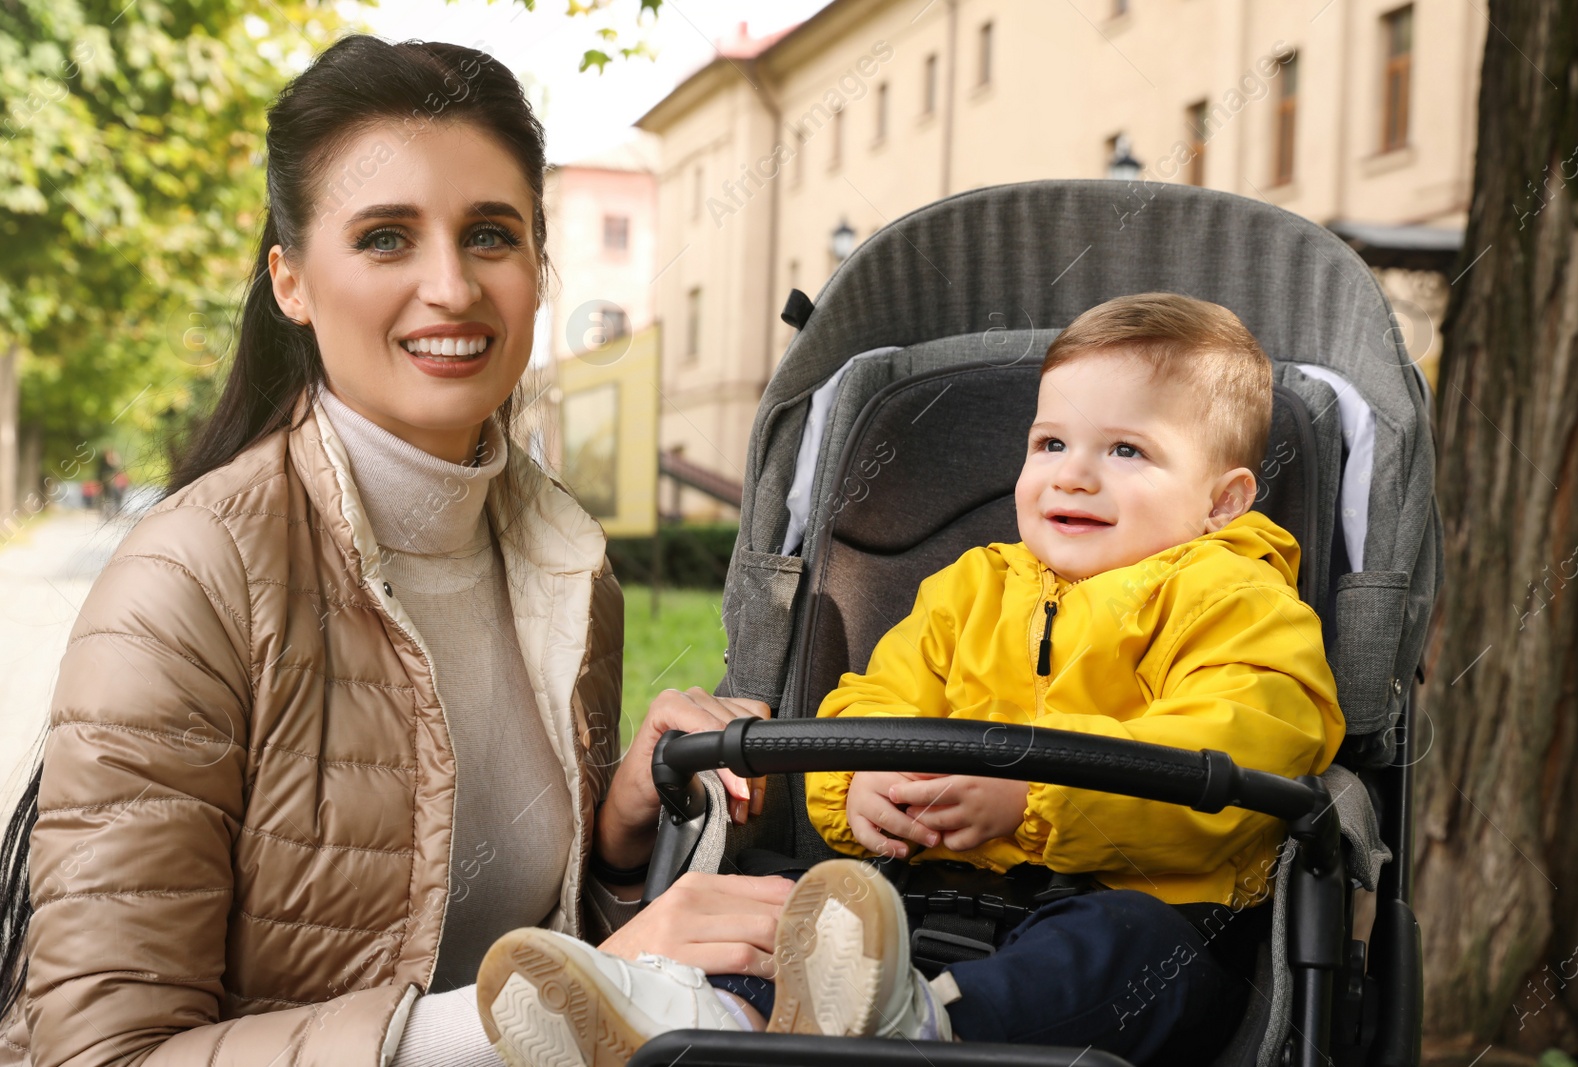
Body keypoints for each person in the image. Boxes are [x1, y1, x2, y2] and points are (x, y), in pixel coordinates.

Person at [0, 36, 794, 1067]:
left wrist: (617, 839)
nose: (450, 286)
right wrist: (568, 996)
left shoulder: (565, 565)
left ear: (539, 270)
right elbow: (97, 1053)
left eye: (490, 235)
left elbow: (500, 931)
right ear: (290, 280)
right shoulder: (190, 577)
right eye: (384, 237)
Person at [478, 293, 1345, 1067]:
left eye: (1127, 449)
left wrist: (1033, 799)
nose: (1073, 472)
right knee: (801, 914)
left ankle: (916, 1028)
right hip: (917, 910)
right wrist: (860, 782)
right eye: (1051, 442)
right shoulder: (970, 589)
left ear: (1225, 500)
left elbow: (1243, 740)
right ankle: (685, 1013)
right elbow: (873, 702)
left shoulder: (1241, 602)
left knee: (1123, 949)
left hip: (1141, 921)